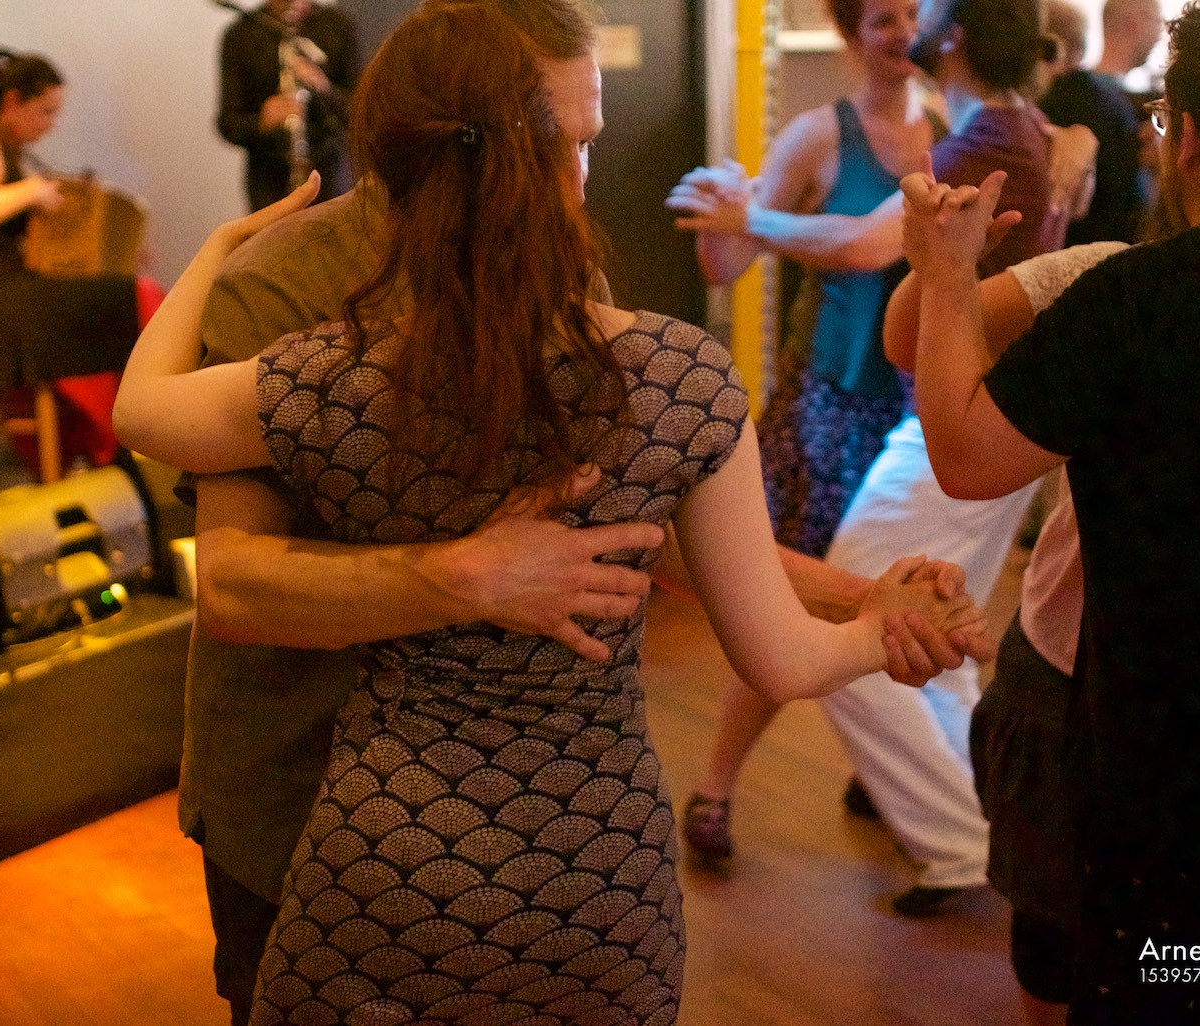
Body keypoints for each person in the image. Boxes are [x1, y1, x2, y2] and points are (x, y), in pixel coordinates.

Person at [114, 5, 984, 1021]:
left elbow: (649, 535)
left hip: (405, 832)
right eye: (560, 142)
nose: (579, 176)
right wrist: (462, 576)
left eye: (586, 139)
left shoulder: (334, 373)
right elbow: (233, 586)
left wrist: (858, 597)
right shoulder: (294, 285)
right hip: (350, 808)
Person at [896, 0, 1200, 1017]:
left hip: (1164, 776)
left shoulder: (1134, 297)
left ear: (1189, 137)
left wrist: (945, 275)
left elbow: (963, 458)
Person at [667, 0, 1066, 917]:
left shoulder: (959, 132)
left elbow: (862, 245)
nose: (897, 28)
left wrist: (753, 215)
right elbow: (726, 261)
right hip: (836, 401)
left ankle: (949, 825)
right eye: (881, 16)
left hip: (918, 401)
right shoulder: (826, 130)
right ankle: (725, 786)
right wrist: (735, 211)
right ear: (851, 33)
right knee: (803, 596)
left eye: (909, 12)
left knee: (883, 606)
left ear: (945, 36)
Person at [885, 237, 1128, 1025]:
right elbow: (905, 340)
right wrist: (944, 265)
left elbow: (964, 461)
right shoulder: (1106, 274)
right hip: (1075, 656)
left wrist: (945, 266)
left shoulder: (1113, 279)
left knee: (1077, 929)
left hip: (1092, 668)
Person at [0, 49, 145, 470]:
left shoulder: (12, 149)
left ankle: (105, 440)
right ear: (12, 101)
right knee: (129, 297)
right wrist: (30, 191)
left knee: (124, 292)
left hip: (3, 288)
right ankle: (115, 440)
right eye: (46, 111)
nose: (51, 124)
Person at [1036, 0, 1159, 246]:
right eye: (1158, 22)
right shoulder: (1087, 94)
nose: (1160, 35)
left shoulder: (1102, 96)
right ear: (1134, 23)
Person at [217, 0, 358, 209]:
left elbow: (359, 112)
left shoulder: (336, 25)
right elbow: (227, 123)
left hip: (329, 176)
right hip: (268, 184)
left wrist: (324, 88)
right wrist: (262, 121)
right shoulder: (240, 34)